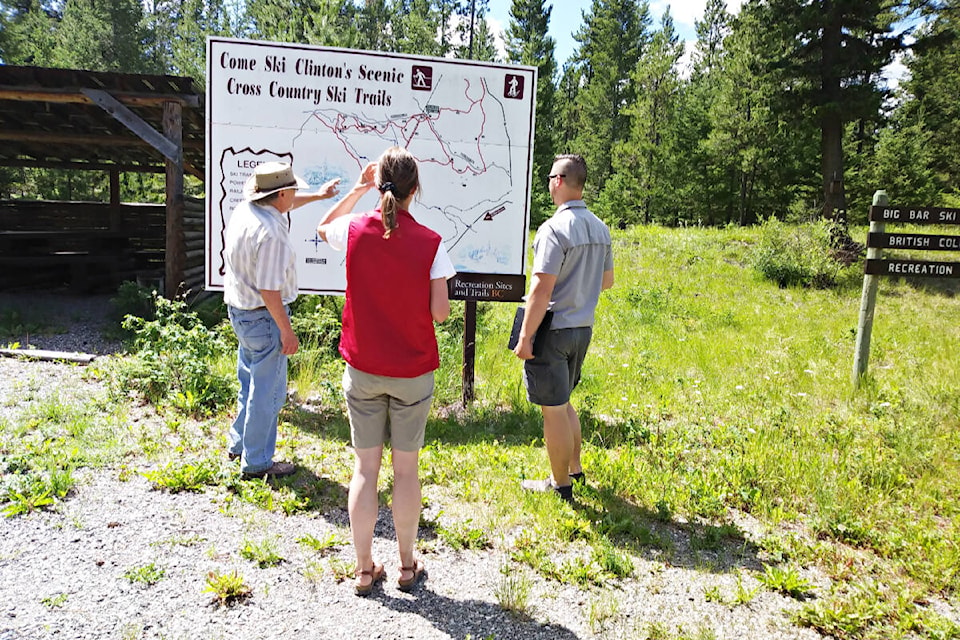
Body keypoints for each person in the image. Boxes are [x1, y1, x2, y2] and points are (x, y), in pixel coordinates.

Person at [316, 147, 455, 596]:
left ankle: (362, 569)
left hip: (363, 369)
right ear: (417, 190)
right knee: (407, 471)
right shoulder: (432, 243)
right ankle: (408, 565)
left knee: (364, 470)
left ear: (379, 186)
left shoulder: (355, 231)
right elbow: (440, 314)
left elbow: (322, 228)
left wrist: (357, 189)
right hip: (412, 372)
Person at [224, 161, 340, 479]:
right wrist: (286, 332)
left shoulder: (247, 211)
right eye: (294, 192)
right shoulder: (271, 234)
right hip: (265, 319)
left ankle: (239, 445)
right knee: (268, 393)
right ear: (282, 194)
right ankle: (258, 461)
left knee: (249, 383)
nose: (295, 196)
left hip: (241, 314)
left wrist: (317, 197)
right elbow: (269, 289)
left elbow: (283, 205)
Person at [513, 154, 614, 503]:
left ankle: (560, 486)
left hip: (552, 331)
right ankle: (574, 470)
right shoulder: (601, 228)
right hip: (582, 328)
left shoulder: (553, 229)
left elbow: (541, 290)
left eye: (549, 177)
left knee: (553, 410)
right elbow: (607, 282)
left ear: (558, 181)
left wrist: (526, 338)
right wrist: (579, 290)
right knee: (565, 401)